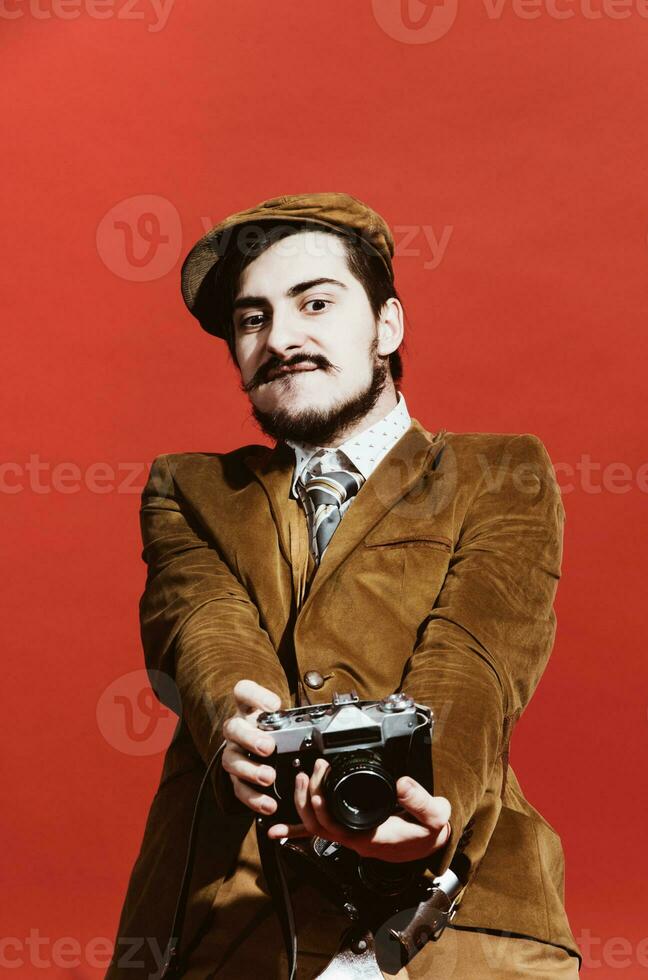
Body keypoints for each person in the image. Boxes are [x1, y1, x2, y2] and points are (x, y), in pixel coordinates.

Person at [106, 192, 581, 978]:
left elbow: (478, 658)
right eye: (252, 319)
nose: (280, 338)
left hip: (457, 908)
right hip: (225, 919)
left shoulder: (499, 473)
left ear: (387, 327)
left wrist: (429, 802)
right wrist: (237, 715)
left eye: (315, 303)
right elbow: (202, 625)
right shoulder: (190, 489)